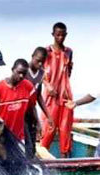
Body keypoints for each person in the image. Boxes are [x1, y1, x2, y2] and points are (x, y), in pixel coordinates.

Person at [40, 22, 74, 158]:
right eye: (57, 35)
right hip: (50, 97)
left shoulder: (69, 52)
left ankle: (66, 161)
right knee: (49, 128)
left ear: (66, 35)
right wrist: (47, 85)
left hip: (66, 97)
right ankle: (42, 159)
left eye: (63, 35)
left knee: (66, 129)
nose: (60, 38)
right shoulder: (46, 51)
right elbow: (39, 71)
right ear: (53, 34)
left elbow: (69, 71)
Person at [0, 59, 34, 141]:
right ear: (13, 69)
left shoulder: (28, 87)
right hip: (1, 138)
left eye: (24, 74)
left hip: (19, 138)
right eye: (19, 72)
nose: (21, 76)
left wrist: (38, 124)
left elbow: (32, 107)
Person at [25, 47, 54, 158]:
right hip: (22, 113)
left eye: (43, 61)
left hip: (31, 112)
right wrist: (38, 121)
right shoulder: (23, 71)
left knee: (32, 145)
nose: (40, 64)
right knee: (25, 143)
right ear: (32, 56)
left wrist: (49, 116)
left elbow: (38, 95)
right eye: (38, 60)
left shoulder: (41, 73)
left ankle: (31, 167)